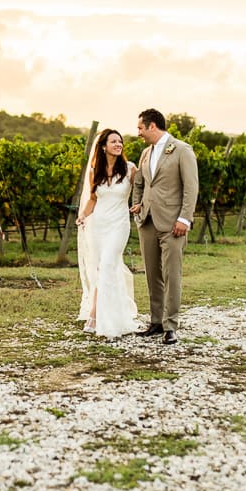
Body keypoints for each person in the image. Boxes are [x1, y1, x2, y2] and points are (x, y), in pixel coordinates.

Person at [130, 109, 199, 345]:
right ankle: (156, 322)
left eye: (140, 128)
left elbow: (191, 188)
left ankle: (171, 325)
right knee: (152, 274)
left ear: (152, 126)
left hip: (173, 223)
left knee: (172, 274)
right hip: (148, 221)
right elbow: (139, 183)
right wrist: (137, 205)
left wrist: (184, 219)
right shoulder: (144, 154)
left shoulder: (182, 150)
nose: (138, 132)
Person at [76, 128, 139, 338]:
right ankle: (108, 314)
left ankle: (95, 315)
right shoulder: (95, 171)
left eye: (120, 142)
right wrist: (83, 216)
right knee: (101, 269)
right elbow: (93, 200)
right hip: (98, 225)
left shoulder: (130, 169)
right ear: (103, 147)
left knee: (109, 264)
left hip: (119, 224)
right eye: (113, 142)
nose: (118, 144)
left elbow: (142, 191)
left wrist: (139, 205)